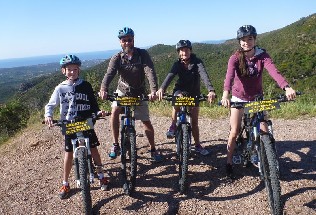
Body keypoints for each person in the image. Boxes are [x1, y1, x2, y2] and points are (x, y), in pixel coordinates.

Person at [220, 25, 296, 180]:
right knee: (234, 131)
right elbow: (229, 77)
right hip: (239, 97)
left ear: (254, 39)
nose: (246, 42)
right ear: (239, 41)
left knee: (264, 129)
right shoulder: (235, 58)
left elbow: (274, 71)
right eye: (243, 39)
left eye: (250, 38)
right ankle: (228, 162)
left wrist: (286, 87)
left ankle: (266, 156)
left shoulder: (263, 55)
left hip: (256, 97)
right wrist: (225, 95)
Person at [44, 54, 109, 199]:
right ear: (63, 71)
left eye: (75, 69)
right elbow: (51, 104)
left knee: (94, 149)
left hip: (86, 122)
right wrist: (48, 115)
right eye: (69, 69)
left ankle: (101, 175)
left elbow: (93, 104)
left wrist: (99, 112)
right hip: (69, 124)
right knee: (68, 154)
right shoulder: (60, 88)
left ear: (79, 70)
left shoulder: (86, 85)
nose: (72, 72)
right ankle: (65, 183)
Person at [99, 27, 163, 162]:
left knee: (145, 120)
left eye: (129, 40)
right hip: (123, 90)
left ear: (133, 40)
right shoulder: (117, 57)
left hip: (139, 92)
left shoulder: (142, 54)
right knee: (115, 110)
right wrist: (103, 88)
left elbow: (149, 71)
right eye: (124, 40)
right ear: (120, 42)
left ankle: (153, 149)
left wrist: (153, 90)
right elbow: (109, 74)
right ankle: (115, 144)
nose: (127, 43)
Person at [156, 40, 216, 156]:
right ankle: (173, 125)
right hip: (180, 90)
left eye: (187, 50)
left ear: (190, 51)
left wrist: (211, 90)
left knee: (194, 122)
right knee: (177, 99)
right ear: (179, 52)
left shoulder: (197, 62)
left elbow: (204, 75)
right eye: (182, 50)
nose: (184, 52)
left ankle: (197, 145)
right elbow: (170, 76)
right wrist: (162, 88)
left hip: (194, 93)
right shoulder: (177, 64)